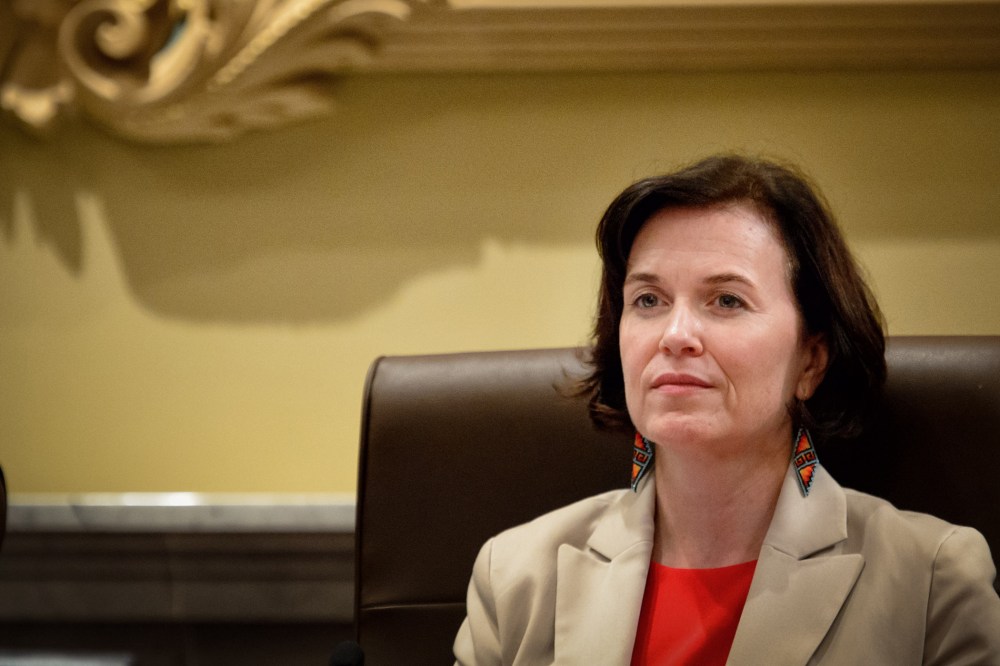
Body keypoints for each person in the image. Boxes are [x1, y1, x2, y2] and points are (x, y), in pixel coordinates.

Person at [452, 154, 1000, 665]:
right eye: (648, 300)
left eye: (727, 300)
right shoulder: (516, 575)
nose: (676, 335)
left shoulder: (932, 579)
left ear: (811, 360)